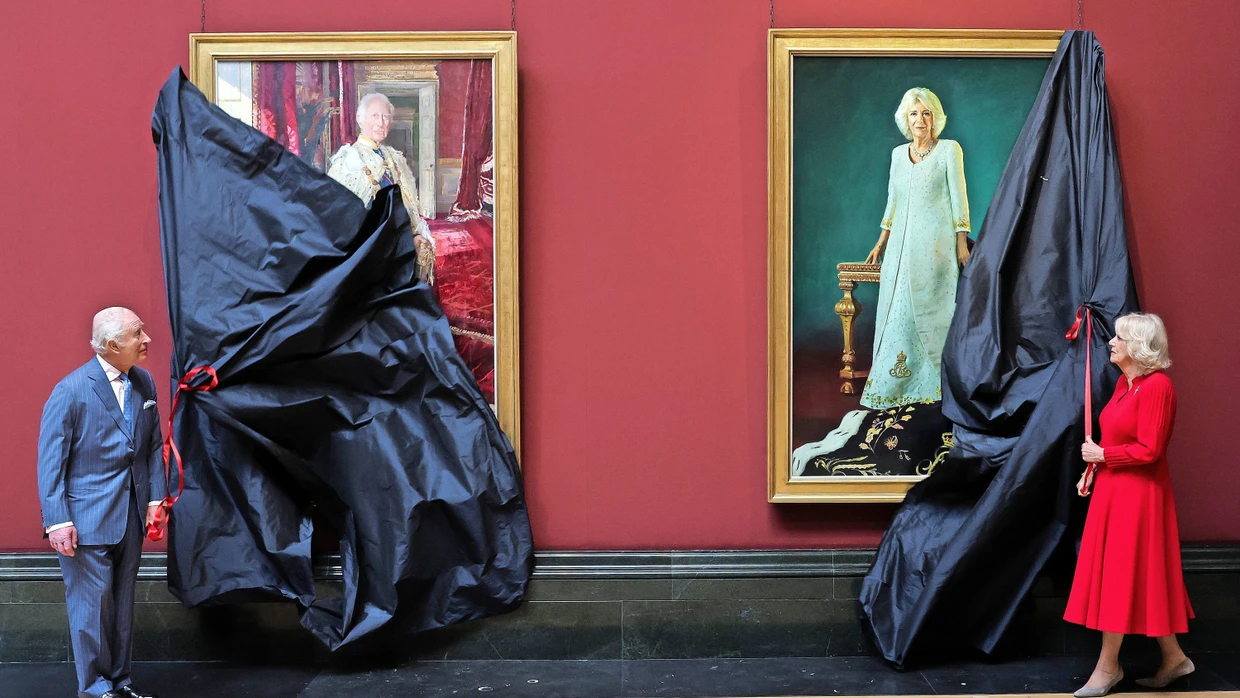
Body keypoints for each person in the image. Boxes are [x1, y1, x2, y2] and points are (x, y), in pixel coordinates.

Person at [37, 307, 165, 698]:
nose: (146, 339)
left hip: (131, 514)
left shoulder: (144, 382)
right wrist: (57, 520)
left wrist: (156, 498)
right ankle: (94, 688)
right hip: (85, 519)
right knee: (90, 610)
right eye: (137, 334)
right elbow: (50, 461)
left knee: (121, 607)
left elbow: (152, 445)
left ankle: (119, 683)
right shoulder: (71, 390)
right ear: (112, 345)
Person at [1066, 313, 1194, 697]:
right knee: (1133, 576)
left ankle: (1108, 668)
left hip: (1140, 498)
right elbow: (1118, 443)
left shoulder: (1158, 388)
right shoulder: (1125, 384)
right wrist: (1093, 469)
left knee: (1121, 576)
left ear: (1138, 345)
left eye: (1119, 337)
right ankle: (1174, 659)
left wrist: (1104, 456)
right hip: (1114, 492)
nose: (1111, 343)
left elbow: (1150, 450)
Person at [861, 87, 971, 409]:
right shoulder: (898, 155)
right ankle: (894, 385)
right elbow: (892, 202)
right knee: (898, 313)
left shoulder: (949, 150)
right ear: (905, 120)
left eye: (925, 113)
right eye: (914, 113)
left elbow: (958, 198)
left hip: (935, 249)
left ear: (935, 118)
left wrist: (961, 243)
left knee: (933, 312)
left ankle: (934, 386)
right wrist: (881, 242)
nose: (920, 120)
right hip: (899, 249)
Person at [327, 92, 437, 283]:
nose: (381, 122)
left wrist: (415, 234)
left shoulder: (395, 158)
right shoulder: (348, 160)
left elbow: (408, 207)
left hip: (399, 238)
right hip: (368, 244)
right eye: (375, 116)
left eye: (386, 117)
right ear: (360, 119)